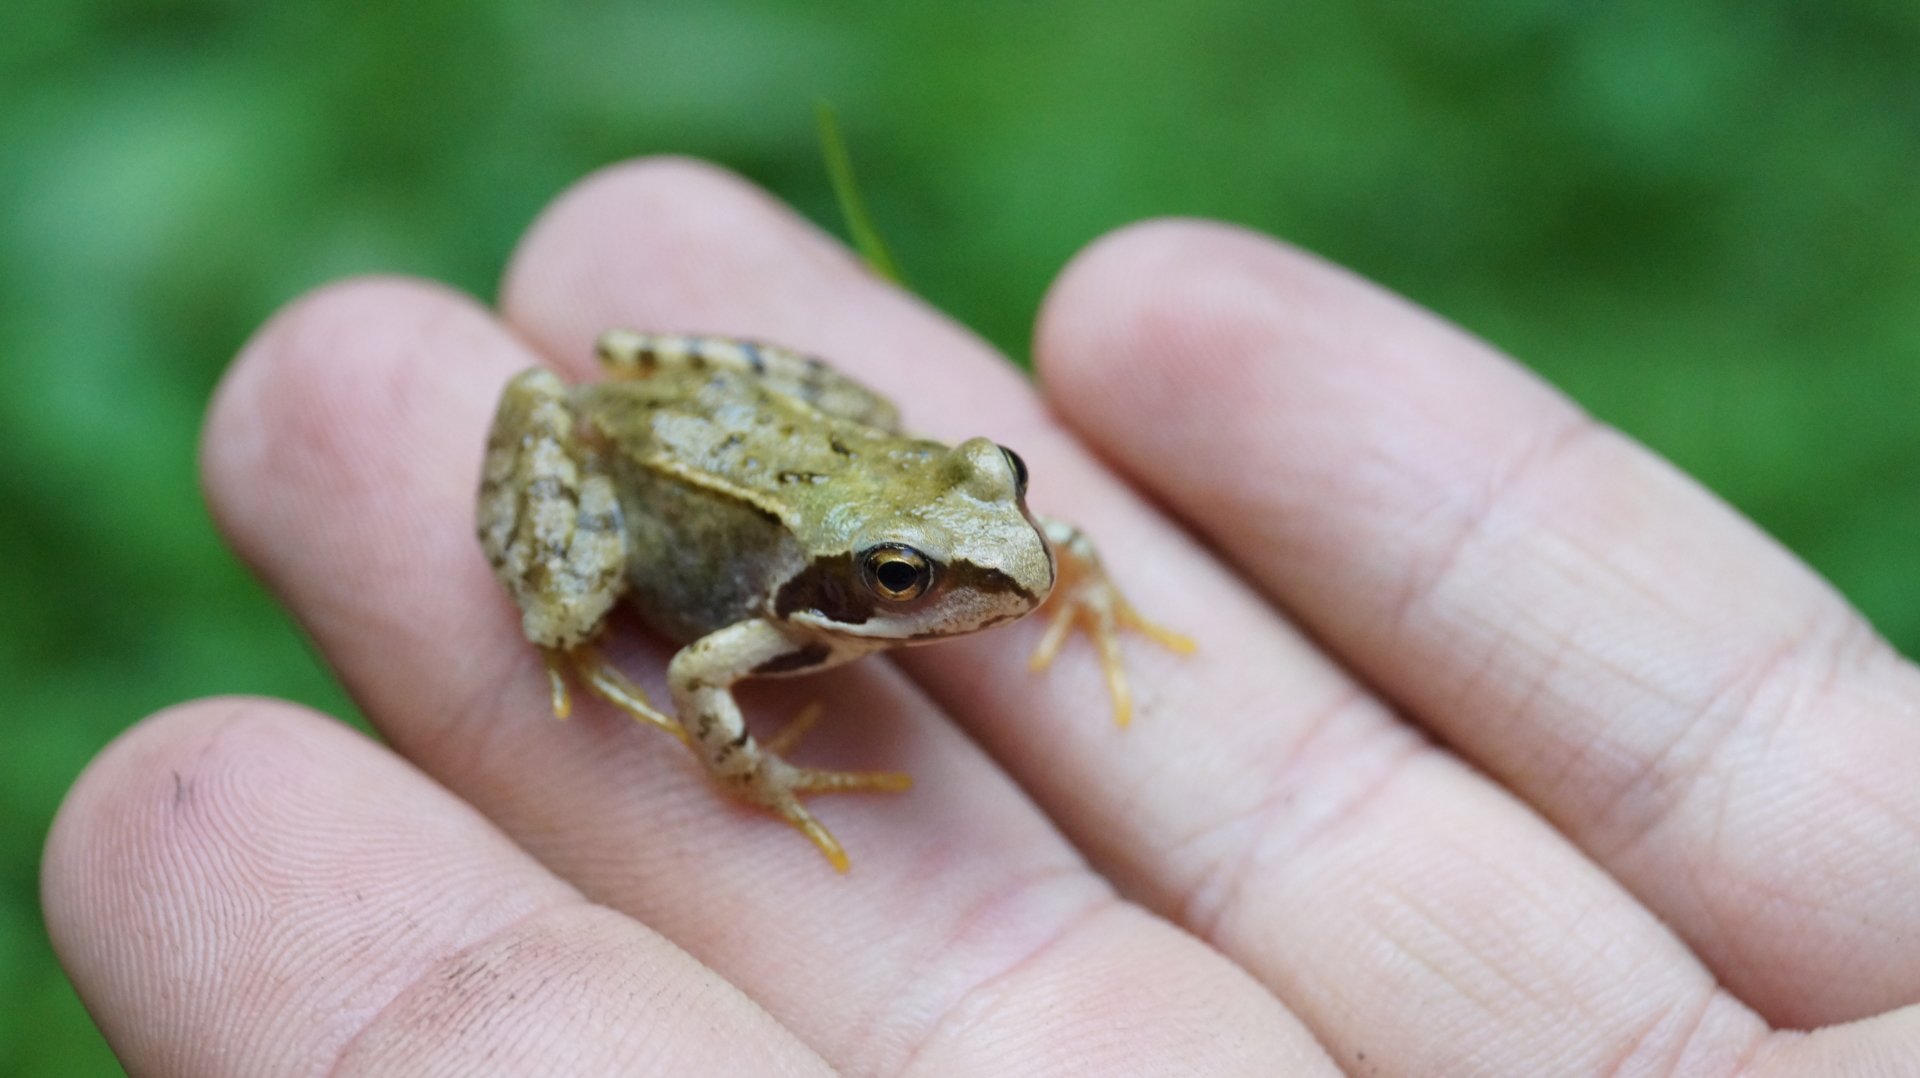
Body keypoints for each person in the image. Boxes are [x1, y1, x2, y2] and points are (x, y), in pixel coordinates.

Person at [41, 158, 1920, 1074]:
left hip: (788, 445)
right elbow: (703, 666)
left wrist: (1017, 560)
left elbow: (1000, 540)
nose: (985, 590)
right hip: (662, 470)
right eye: (917, 591)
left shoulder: (960, 543)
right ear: (856, 600)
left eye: (980, 537)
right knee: (582, 591)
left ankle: (891, 483)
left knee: (920, 488)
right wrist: (755, 781)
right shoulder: (776, 623)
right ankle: (552, 615)